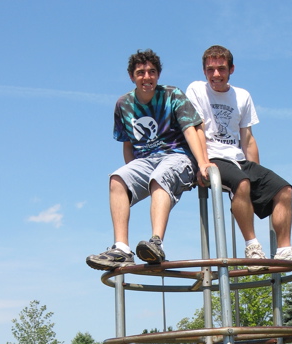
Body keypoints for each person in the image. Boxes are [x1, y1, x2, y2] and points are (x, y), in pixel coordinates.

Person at [186, 45, 292, 269]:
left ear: (231, 69)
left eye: (221, 69)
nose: (216, 75)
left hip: (239, 159)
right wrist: (202, 163)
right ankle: (253, 247)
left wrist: (258, 177)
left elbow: (247, 138)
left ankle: (284, 249)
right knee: (242, 183)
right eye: (210, 70)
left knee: (283, 189)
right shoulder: (197, 90)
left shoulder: (242, 96)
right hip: (212, 158)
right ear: (204, 71)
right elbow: (195, 128)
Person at [87, 49, 212, 271]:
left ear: (158, 75)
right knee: (117, 179)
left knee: (159, 176)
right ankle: (121, 249)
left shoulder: (172, 95)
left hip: (177, 156)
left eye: (152, 72)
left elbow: (191, 130)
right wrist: (132, 181)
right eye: (141, 73)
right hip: (145, 160)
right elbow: (128, 144)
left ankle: (156, 242)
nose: (147, 77)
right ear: (132, 77)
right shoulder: (123, 104)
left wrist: (202, 163)